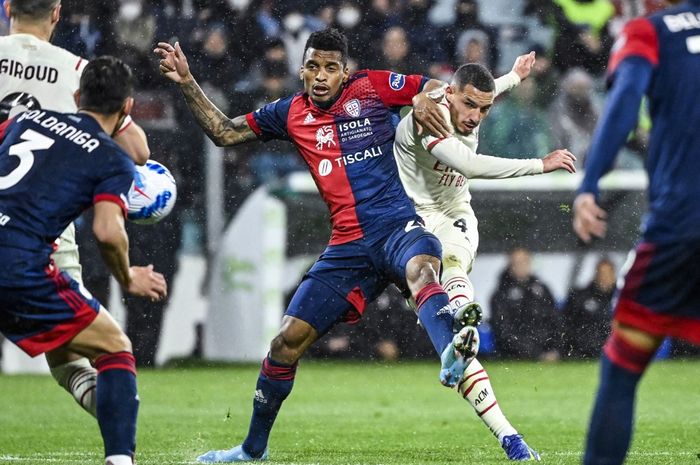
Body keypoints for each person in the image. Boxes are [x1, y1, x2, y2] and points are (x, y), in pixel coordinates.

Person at [155, 28, 475, 463]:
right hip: (347, 248)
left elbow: (438, 87)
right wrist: (189, 82)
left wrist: (423, 98)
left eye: (330, 68)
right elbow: (224, 132)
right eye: (312, 67)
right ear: (301, 70)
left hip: (396, 227)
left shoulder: (373, 87)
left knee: (423, 266)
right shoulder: (289, 113)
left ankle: (451, 356)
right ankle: (251, 450)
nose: (320, 76)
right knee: (285, 344)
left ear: (345, 72)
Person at [393, 57, 576, 461]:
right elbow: (471, 164)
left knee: (455, 266)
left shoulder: (471, 97)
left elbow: (483, 88)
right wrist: (539, 164)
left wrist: (513, 77)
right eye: (469, 106)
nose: (475, 117)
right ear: (450, 94)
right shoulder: (430, 115)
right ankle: (458, 323)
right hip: (411, 219)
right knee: (431, 273)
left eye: (484, 109)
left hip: (455, 211)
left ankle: (462, 321)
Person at [0, 56, 167, 465]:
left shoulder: (27, 121)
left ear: (77, 97)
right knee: (114, 347)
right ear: (127, 107)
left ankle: (114, 416)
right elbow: (108, 231)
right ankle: (120, 457)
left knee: (65, 355)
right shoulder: (111, 160)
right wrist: (127, 277)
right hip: (17, 263)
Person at [572, 1, 700, 463]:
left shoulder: (651, 32)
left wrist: (590, 184)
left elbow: (625, 103)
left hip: (682, 226)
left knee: (623, 366)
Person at [490, 248, 561, 361]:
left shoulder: (542, 290)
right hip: (514, 356)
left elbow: (555, 320)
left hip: (547, 352)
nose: (521, 266)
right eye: (517, 263)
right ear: (510, 265)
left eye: (524, 262)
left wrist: (555, 349)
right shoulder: (501, 294)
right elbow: (503, 331)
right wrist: (535, 353)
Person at [560, 257, 615, 359]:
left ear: (614, 275)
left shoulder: (621, 298)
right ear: (596, 275)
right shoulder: (582, 297)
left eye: (608, 273)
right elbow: (569, 322)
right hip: (584, 352)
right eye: (602, 273)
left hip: (613, 351)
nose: (605, 277)